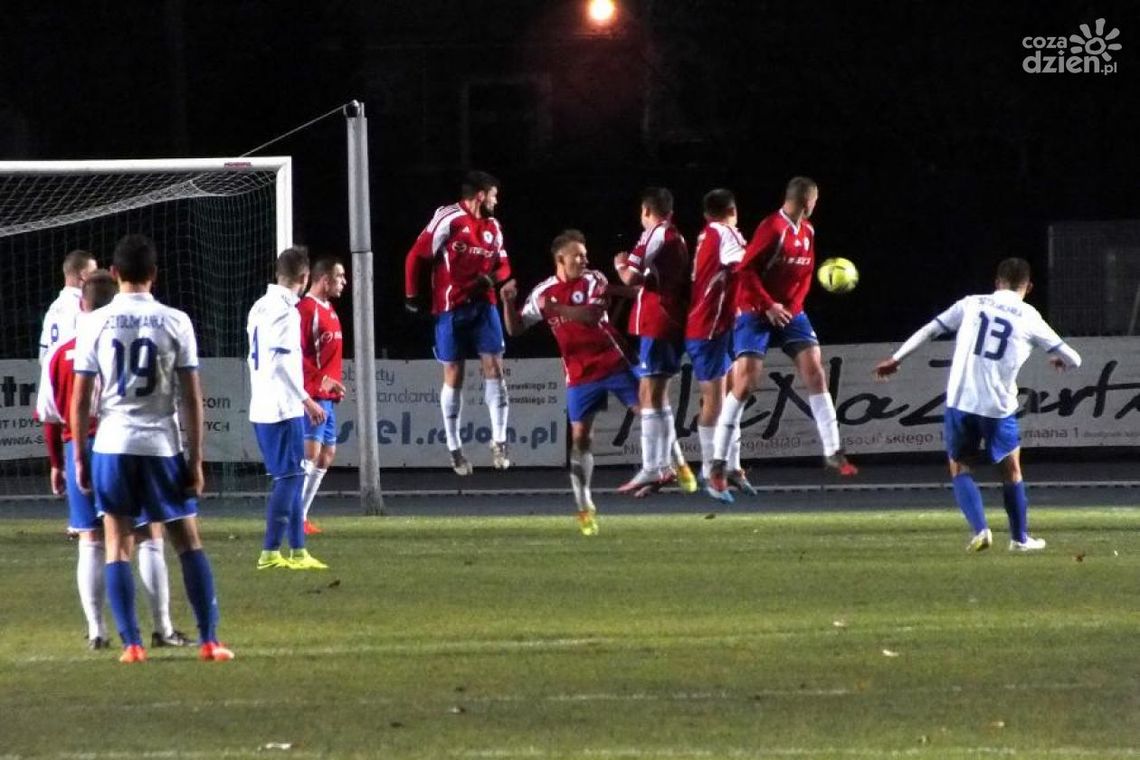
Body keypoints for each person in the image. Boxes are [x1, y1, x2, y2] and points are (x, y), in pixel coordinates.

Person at [71, 233, 233, 663]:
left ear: (116, 272)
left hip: (112, 445)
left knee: (117, 543)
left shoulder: (93, 322)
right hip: (162, 445)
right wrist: (195, 459)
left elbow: (80, 397)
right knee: (188, 541)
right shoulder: (176, 320)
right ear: (155, 275)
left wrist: (78, 458)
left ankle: (133, 644)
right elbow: (191, 397)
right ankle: (210, 640)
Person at [873, 258, 1081, 552]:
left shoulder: (971, 303)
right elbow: (1075, 358)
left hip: (961, 400)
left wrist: (896, 359)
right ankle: (1019, 539)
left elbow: (930, 329)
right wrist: (1060, 359)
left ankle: (981, 529)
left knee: (960, 467)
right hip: (998, 406)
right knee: (1011, 471)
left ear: (996, 283)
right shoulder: (1029, 315)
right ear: (1029, 287)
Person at [36, 270, 189, 650]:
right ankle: (162, 627)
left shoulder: (60, 353)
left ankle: (97, 631)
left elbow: (50, 415)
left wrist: (58, 462)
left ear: (82, 304)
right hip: (123, 446)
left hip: (79, 450)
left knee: (91, 539)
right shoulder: (131, 336)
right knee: (147, 534)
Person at [707, 177, 857, 501]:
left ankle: (833, 449)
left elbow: (805, 275)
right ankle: (719, 461)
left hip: (789, 309)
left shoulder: (808, 231)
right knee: (745, 383)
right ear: (808, 201)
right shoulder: (772, 228)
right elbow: (745, 271)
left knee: (814, 370)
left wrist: (790, 307)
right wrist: (768, 306)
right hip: (754, 307)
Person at [499, 230, 642, 534]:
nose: (585, 259)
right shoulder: (543, 292)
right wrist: (507, 303)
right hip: (579, 374)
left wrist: (558, 309)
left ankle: (669, 467)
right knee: (581, 440)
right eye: (578, 255)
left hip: (613, 362)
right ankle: (584, 505)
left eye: (585, 254)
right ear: (560, 258)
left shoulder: (594, 279)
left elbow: (591, 315)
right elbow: (516, 329)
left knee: (648, 411)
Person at [404, 171, 512, 475]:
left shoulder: (493, 226)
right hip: (451, 308)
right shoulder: (449, 217)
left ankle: (500, 441)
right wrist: (411, 294)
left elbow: (505, 265)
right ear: (480, 195)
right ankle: (454, 448)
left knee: (495, 367)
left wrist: (491, 278)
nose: (496, 200)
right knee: (454, 373)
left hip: (483, 306)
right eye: (493, 194)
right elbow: (416, 255)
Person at [247, 246, 329, 571]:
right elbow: (280, 362)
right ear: (304, 277)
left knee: (292, 476)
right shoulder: (286, 312)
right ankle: (269, 552)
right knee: (290, 478)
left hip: (263, 403)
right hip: (281, 407)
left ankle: (297, 550)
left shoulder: (259, 307)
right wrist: (307, 400)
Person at [612, 187, 697, 496]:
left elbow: (631, 277)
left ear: (646, 211)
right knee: (657, 395)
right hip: (669, 319)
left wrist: (620, 264)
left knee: (649, 392)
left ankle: (653, 467)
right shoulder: (676, 237)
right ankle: (663, 467)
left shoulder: (655, 234)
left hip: (659, 321)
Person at [683, 189, 756, 501]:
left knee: (729, 398)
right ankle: (709, 470)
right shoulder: (725, 233)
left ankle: (732, 468)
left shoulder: (705, 234)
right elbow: (750, 263)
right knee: (715, 401)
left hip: (717, 325)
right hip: (708, 328)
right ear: (733, 211)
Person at [297, 257, 347, 535]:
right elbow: (294, 355)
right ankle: (291, 515)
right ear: (324, 279)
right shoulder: (306, 309)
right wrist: (319, 381)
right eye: (339, 277)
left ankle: (301, 516)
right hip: (311, 395)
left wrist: (333, 382)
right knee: (311, 454)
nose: (344, 282)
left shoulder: (330, 310)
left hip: (327, 397)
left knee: (327, 455)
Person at [39, 250, 97, 363]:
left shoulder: (53, 308)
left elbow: (43, 355)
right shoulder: (83, 306)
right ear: (83, 275)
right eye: (94, 273)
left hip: (52, 376)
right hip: (74, 376)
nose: (96, 278)